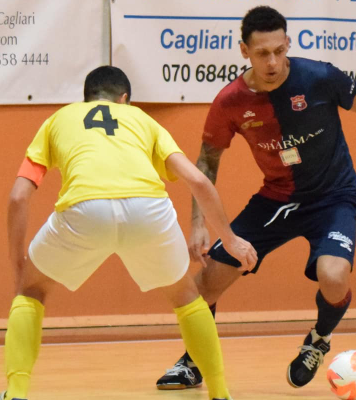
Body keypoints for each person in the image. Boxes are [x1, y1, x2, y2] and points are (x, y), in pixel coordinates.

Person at [156, 5, 356, 391]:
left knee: (333, 277)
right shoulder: (231, 101)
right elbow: (206, 161)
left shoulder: (319, 77)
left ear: (288, 43)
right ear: (244, 51)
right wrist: (198, 224)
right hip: (276, 199)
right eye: (261, 53)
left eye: (278, 51)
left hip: (333, 196)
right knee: (204, 284)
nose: (272, 62)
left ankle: (318, 339)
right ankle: (194, 362)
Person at [1, 66, 257, 400]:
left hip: (85, 208)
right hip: (148, 209)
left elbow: (18, 197)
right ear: (124, 99)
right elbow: (197, 180)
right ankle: (220, 393)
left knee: (31, 291)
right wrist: (231, 239)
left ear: (87, 97)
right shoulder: (142, 120)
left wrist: (18, 266)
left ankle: (16, 393)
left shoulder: (58, 119)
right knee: (186, 298)